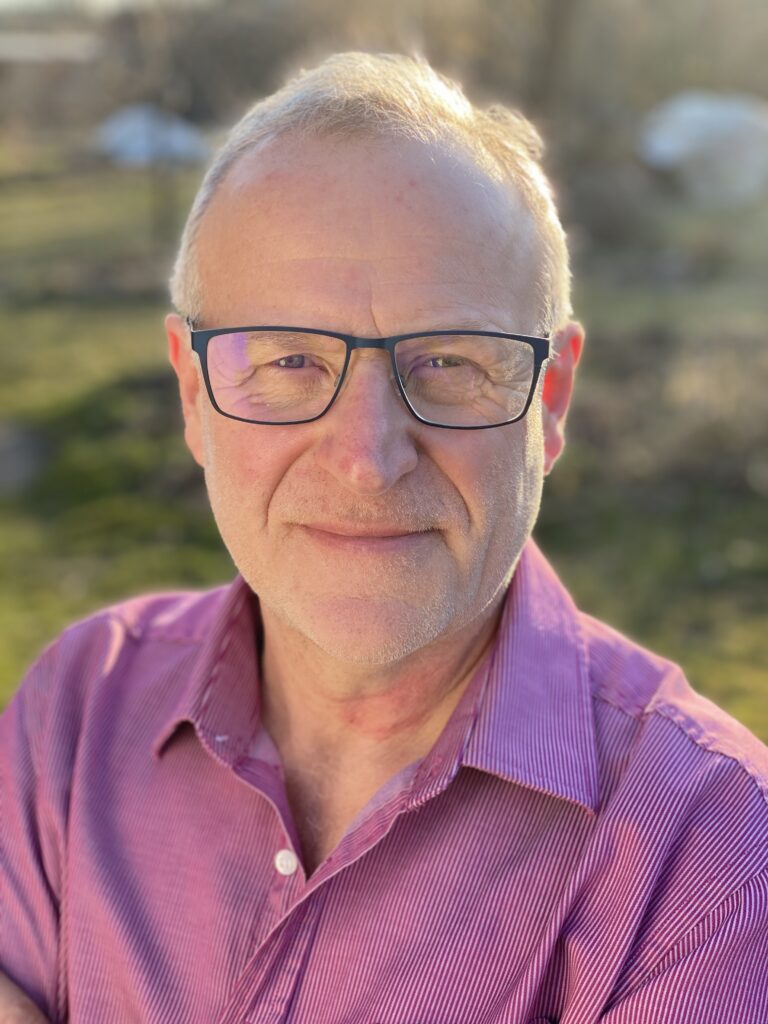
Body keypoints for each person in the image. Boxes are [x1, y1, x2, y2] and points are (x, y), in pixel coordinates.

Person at [1, 52, 766, 1024]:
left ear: (553, 399)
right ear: (193, 395)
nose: (367, 457)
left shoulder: (714, 862)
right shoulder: (77, 704)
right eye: (288, 359)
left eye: (449, 361)